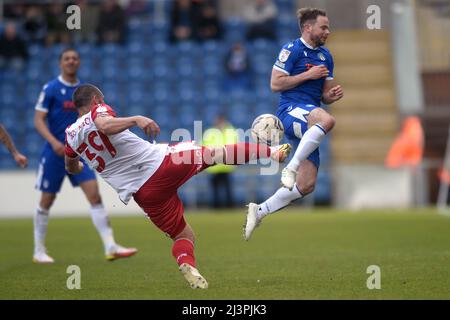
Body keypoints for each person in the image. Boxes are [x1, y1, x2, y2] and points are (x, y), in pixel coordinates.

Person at [65, 84, 292, 288]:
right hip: (162, 165)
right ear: (96, 100)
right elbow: (104, 125)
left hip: (144, 194)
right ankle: (272, 152)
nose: (104, 104)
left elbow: (72, 167)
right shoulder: (98, 111)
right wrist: (136, 119)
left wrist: (88, 161)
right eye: (102, 101)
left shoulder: (70, 136)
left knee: (183, 235)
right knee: (217, 153)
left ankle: (187, 265)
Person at [244, 8, 344, 240]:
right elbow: (275, 84)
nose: (327, 31)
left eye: (328, 27)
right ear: (308, 28)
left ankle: (259, 210)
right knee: (328, 120)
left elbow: (324, 94)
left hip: (311, 114)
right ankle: (290, 167)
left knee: (307, 185)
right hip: (290, 111)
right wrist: (307, 76)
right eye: (323, 27)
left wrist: (332, 95)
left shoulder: (325, 56)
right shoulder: (292, 50)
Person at [33, 48, 137, 264]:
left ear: (79, 63)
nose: (71, 61)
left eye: (74, 58)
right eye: (66, 58)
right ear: (61, 63)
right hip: (54, 153)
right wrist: (54, 143)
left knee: (94, 196)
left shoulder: (84, 93)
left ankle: (111, 246)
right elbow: (38, 120)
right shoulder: (51, 88)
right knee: (47, 200)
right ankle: (39, 250)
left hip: (80, 152)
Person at [203, 115, 237, 208]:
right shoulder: (209, 133)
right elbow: (205, 147)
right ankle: (216, 207)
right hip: (214, 167)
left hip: (226, 166)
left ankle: (230, 206)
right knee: (215, 189)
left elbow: (235, 146)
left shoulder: (231, 132)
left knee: (228, 189)